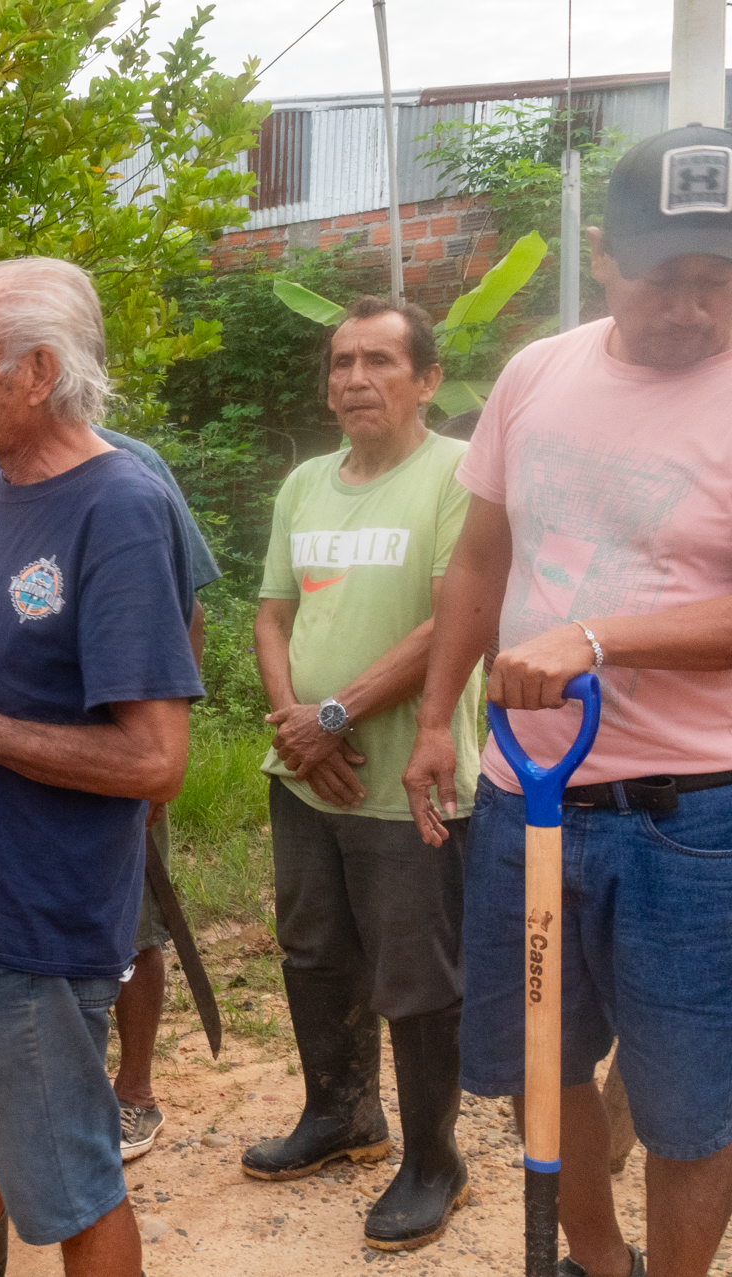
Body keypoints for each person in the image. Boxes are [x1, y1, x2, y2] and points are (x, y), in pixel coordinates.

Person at [404, 124, 732, 1277]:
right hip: (527, 792)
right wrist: (441, 712)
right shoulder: (537, 373)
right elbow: (479, 559)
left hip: (695, 820)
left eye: (717, 277)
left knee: (694, 1101)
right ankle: (599, 1258)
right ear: (603, 255)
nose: (691, 306)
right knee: (541, 1063)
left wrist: (595, 638)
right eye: (664, 276)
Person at [0, 257, 205, 1277]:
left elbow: (156, 759)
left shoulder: (120, 508)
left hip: (37, 915)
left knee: (68, 1183)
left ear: (37, 372)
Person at [240, 296, 481, 1252]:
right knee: (313, 950)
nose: (354, 379)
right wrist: (299, 731)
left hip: (405, 776)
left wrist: (331, 716)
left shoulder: (458, 474)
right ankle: (341, 1113)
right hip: (306, 773)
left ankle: (435, 1159)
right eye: (341, 362)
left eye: (380, 361)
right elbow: (270, 614)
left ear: (426, 380)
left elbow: (452, 621)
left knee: (415, 971)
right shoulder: (304, 484)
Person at [0, 433, 218, 1164]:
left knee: (138, 928)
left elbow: (185, 610)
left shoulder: (130, 478)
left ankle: (133, 1091)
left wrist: (159, 729)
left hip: (105, 774)